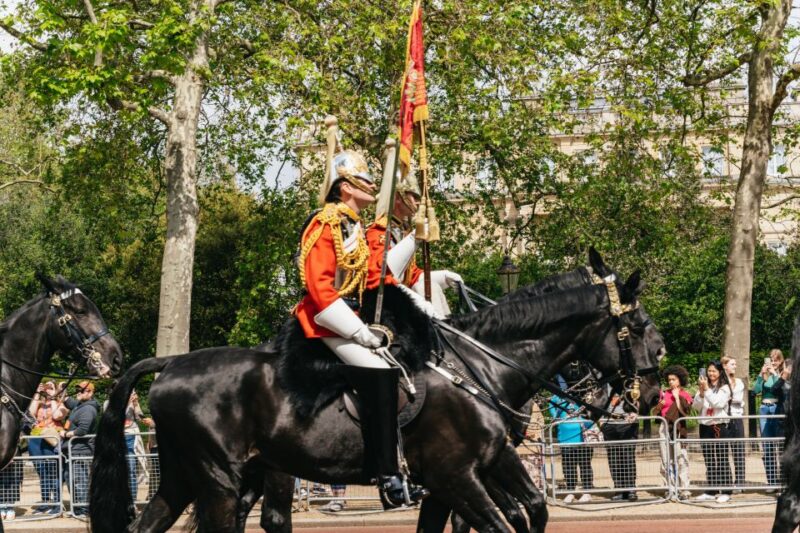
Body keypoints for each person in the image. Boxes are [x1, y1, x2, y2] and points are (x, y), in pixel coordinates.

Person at [293, 145, 427, 508]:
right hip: (326, 320)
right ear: (345, 187)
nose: (372, 186)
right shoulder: (326, 222)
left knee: (399, 366)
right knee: (381, 373)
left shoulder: (356, 227)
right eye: (364, 181)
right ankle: (387, 477)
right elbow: (319, 287)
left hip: (354, 318)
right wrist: (357, 331)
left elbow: (373, 278)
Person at [366, 160, 461, 318]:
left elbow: (413, 275)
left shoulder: (401, 231)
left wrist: (444, 276)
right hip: (385, 307)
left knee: (432, 287)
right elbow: (383, 276)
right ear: (398, 197)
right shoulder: (377, 233)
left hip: (401, 302)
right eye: (413, 196)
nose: (417, 201)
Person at [692, 361, 733, 503]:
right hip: (705, 425)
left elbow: (718, 403)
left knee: (722, 459)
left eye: (714, 371)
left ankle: (726, 490)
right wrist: (702, 392)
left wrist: (707, 390)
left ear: (720, 372)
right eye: (709, 371)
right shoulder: (703, 387)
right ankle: (711, 490)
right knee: (709, 459)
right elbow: (696, 406)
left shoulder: (725, 387)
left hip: (718, 425)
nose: (711, 374)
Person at [550, 376, 594, 504]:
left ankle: (587, 491)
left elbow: (590, 415)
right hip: (565, 438)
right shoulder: (555, 399)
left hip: (582, 438)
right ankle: (570, 491)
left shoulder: (582, 398)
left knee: (585, 466)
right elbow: (554, 417)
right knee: (568, 467)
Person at [59, 381, 100, 517]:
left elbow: (82, 430)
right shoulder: (79, 405)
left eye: (81, 390)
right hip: (72, 450)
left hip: (81, 451)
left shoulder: (88, 409)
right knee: (71, 479)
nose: (78, 392)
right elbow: (65, 400)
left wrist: (65, 434)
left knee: (79, 481)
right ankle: (77, 508)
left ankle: (83, 510)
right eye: (77, 389)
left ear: (90, 392)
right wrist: (62, 388)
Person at [653, 365, 693, 500]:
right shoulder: (663, 393)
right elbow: (655, 413)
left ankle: (684, 489)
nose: (671, 382)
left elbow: (685, 413)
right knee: (665, 460)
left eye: (674, 379)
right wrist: (660, 404)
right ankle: (669, 488)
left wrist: (677, 398)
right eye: (669, 380)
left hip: (678, 428)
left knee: (681, 458)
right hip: (665, 428)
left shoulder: (685, 394)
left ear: (680, 380)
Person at [27, 381, 66, 515]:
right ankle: (45, 502)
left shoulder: (61, 403)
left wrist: (53, 397)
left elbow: (57, 416)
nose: (48, 389)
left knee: (54, 471)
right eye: (46, 387)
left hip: (51, 440)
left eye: (51, 387)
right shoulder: (39, 403)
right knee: (42, 472)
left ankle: (57, 502)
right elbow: (31, 413)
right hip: (36, 438)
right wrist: (37, 393)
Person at [754, 348, 789, 489]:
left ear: (781, 361)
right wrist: (761, 375)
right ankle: (772, 481)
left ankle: (783, 481)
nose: (773, 362)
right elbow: (756, 390)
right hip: (764, 409)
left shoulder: (783, 374)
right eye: (771, 359)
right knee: (767, 446)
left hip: (777, 408)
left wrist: (775, 374)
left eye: (776, 359)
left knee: (780, 445)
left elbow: (778, 389)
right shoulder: (765, 374)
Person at [601, 393, 638, 501]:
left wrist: (636, 412)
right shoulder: (602, 384)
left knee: (628, 458)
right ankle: (619, 490)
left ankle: (631, 489)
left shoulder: (629, 382)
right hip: (609, 425)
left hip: (628, 424)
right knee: (614, 459)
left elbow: (642, 401)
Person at [721, 355, 746, 491]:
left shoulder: (739, 382)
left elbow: (737, 398)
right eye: (732, 364)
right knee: (724, 451)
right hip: (724, 419)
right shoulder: (720, 382)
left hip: (736, 418)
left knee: (738, 451)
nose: (735, 366)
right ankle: (727, 482)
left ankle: (740, 482)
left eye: (735, 364)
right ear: (724, 366)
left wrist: (726, 398)